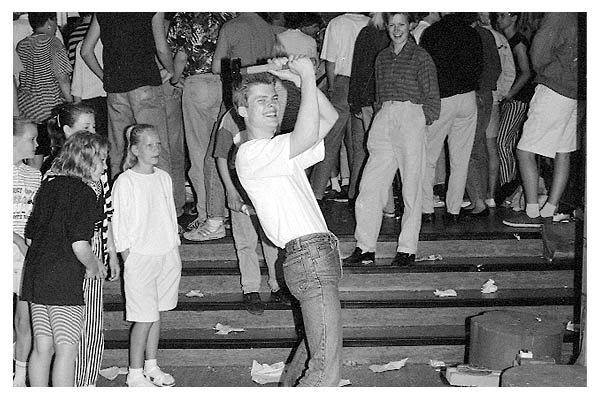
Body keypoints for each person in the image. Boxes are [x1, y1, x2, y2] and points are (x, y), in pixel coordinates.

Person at [235, 55, 340, 386]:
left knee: (314, 352)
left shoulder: (279, 151)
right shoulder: (251, 153)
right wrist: (308, 76)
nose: (270, 106)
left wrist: (296, 82)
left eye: (274, 99)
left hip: (314, 254)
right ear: (242, 111)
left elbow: (330, 118)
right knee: (325, 368)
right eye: (260, 100)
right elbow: (308, 130)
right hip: (308, 255)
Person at [343, 12, 440, 268]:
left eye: (402, 25)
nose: (397, 30)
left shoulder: (421, 57)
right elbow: (379, 92)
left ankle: (407, 249)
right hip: (385, 115)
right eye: (393, 25)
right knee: (370, 187)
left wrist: (421, 119)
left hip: (410, 115)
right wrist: (381, 114)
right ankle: (365, 248)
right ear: (387, 27)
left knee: (411, 188)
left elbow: (432, 97)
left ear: (410, 27)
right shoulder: (382, 57)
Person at [21, 132, 108, 387]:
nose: (104, 167)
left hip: (36, 275)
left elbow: (30, 237)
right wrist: (95, 265)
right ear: (86, 161)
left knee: (42, 346)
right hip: (63, 278)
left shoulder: (48, 186)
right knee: (67, 348)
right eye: (101, 160)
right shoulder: (84, 193)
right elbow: (79, 243)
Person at [45, 103, 120, 386]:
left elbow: (107, 212)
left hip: (95, 246)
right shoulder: (55, 171)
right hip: (69, 252)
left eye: (94, 127)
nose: (92, 132)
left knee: (91, 321)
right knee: (71, 326)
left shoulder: (99, 168)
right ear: (67, 131)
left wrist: (111, 251)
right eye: (85, 127)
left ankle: (86, 381)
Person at [112, 124, 182, 387]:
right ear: (135, 150)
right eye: (150, 145)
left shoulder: (163, 176)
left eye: (158, 144)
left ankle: (152, 366)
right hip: (140, 256)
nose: (156, 149)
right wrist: (128, 256)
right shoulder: (126, 180)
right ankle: (134, 373)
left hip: (165, 253)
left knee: (156, 314)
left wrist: (174, 246)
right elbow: (119, 222)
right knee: (143, 317)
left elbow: (169, 214)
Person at [502, 13, 579, 227]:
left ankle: (532, 212)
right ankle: (550, 209)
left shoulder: (558, 16)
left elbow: (537, 56)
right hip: (576, 91)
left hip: (553, 88)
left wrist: (546, 71)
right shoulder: (578, 16)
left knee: (524, 151)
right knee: (563, 151)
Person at [167, 12, 235, 237]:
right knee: (220, 150)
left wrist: (175, 79)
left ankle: (207, 215)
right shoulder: (225, 15)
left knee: (199, 154)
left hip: (196, 85)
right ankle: (225, 211)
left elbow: (180, 56)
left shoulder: (184, 17)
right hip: (223, 84)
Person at [213, 109, 288, 314]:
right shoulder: (230, 119)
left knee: (272, 240)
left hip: (266, 188)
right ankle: (251, 289)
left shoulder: (270, 113)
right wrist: (230, 190)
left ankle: (277, 284)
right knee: (245, 241)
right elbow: (221, 155)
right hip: (241, 186)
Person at [420, 12, 483, 224]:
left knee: (428, 157)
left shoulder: (431, 33)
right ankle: (454, 209)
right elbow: (479, 67)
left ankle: (427, 208)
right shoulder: (472, 33)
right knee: (460, 158)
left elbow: (426, 70)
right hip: (467, 97)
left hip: (442, 98)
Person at [310, 12, 369, 202]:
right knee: (359, 143)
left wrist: (332, 87)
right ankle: (355, 191)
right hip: (364, 85)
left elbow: (331, 62)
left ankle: (316, 192)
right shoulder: (371, 23)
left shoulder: (336, 23)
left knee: (331, 140)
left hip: (342, 83)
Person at [347, 12, 393, 212]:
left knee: (376, 153)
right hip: (394, 100)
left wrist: (355, 102)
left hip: (370, 101)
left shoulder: (367, 33)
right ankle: (388, 205)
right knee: (391, 153)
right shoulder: (401, 33)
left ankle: (385, 205)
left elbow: (358, 69)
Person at [16, 12, 73, 170]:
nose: (56, 27)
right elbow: (62, 77)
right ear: (49, 21)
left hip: (27, 109)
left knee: (34, 157)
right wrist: (72, 103)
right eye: (55, 22)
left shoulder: (22, 45)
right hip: (50, 109)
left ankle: (33, 192)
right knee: (58, 156)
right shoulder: (52, 43)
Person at [494, 12, 536, 207]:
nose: (499, 19)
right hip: (512, 97)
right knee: (508, 142)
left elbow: (526, 72)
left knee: (503, 142)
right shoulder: (505, 40)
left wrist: (510, 94)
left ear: (514, 18)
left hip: (519, 99)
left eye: (503, 15)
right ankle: (512, 187)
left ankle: (508, 185)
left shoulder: (518, 42)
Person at [462, 13, 502, 217]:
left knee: (471, 147)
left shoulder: (473, 34)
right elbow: (497, 68)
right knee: (482, 147)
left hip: (477, 94)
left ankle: (479, 201)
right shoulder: (486, 34)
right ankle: (482, 197)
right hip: (486, 94)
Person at [13, 118, 41, 387]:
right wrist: (17, 241)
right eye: (31, 139)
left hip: (26, 254)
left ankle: (20, 376)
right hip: (10, 248)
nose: (36, 144)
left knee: (25, 316)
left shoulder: (34, 175)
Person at [478, 12, 516, 207]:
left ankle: (478, 195)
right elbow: (509, 71)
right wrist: (500, 93)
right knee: (491, 146)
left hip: (478, 96)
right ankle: (491, 195)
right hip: (493, 97)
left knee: (477, 148)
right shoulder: (499, 38)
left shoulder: (476, 34)